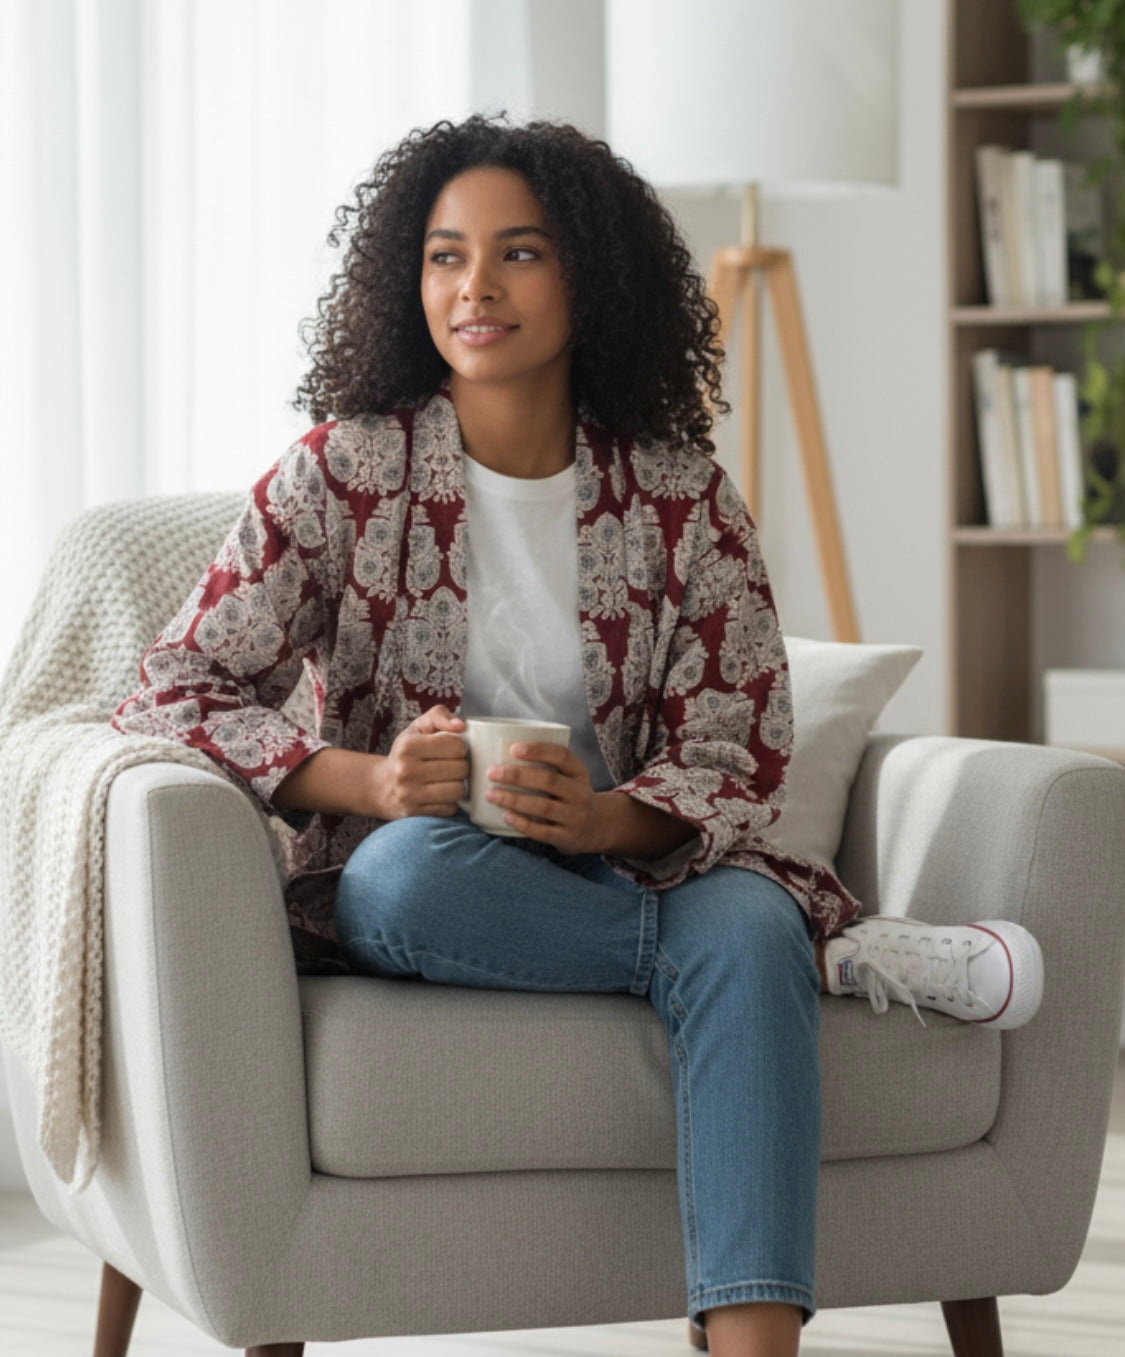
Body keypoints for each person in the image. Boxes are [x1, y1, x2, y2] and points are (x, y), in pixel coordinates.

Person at [112, 114, 1043, 1357]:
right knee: (408, 876)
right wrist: (371, 781)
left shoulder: (682, 493)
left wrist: (609, 818)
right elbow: (172, 684)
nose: (474, 287)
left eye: (519, 253)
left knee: (745, 918)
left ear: (588, 275)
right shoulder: (344, 475)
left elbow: (741, 730)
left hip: (637, 854)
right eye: (445, 257)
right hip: (440, 876)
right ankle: (817, 948)